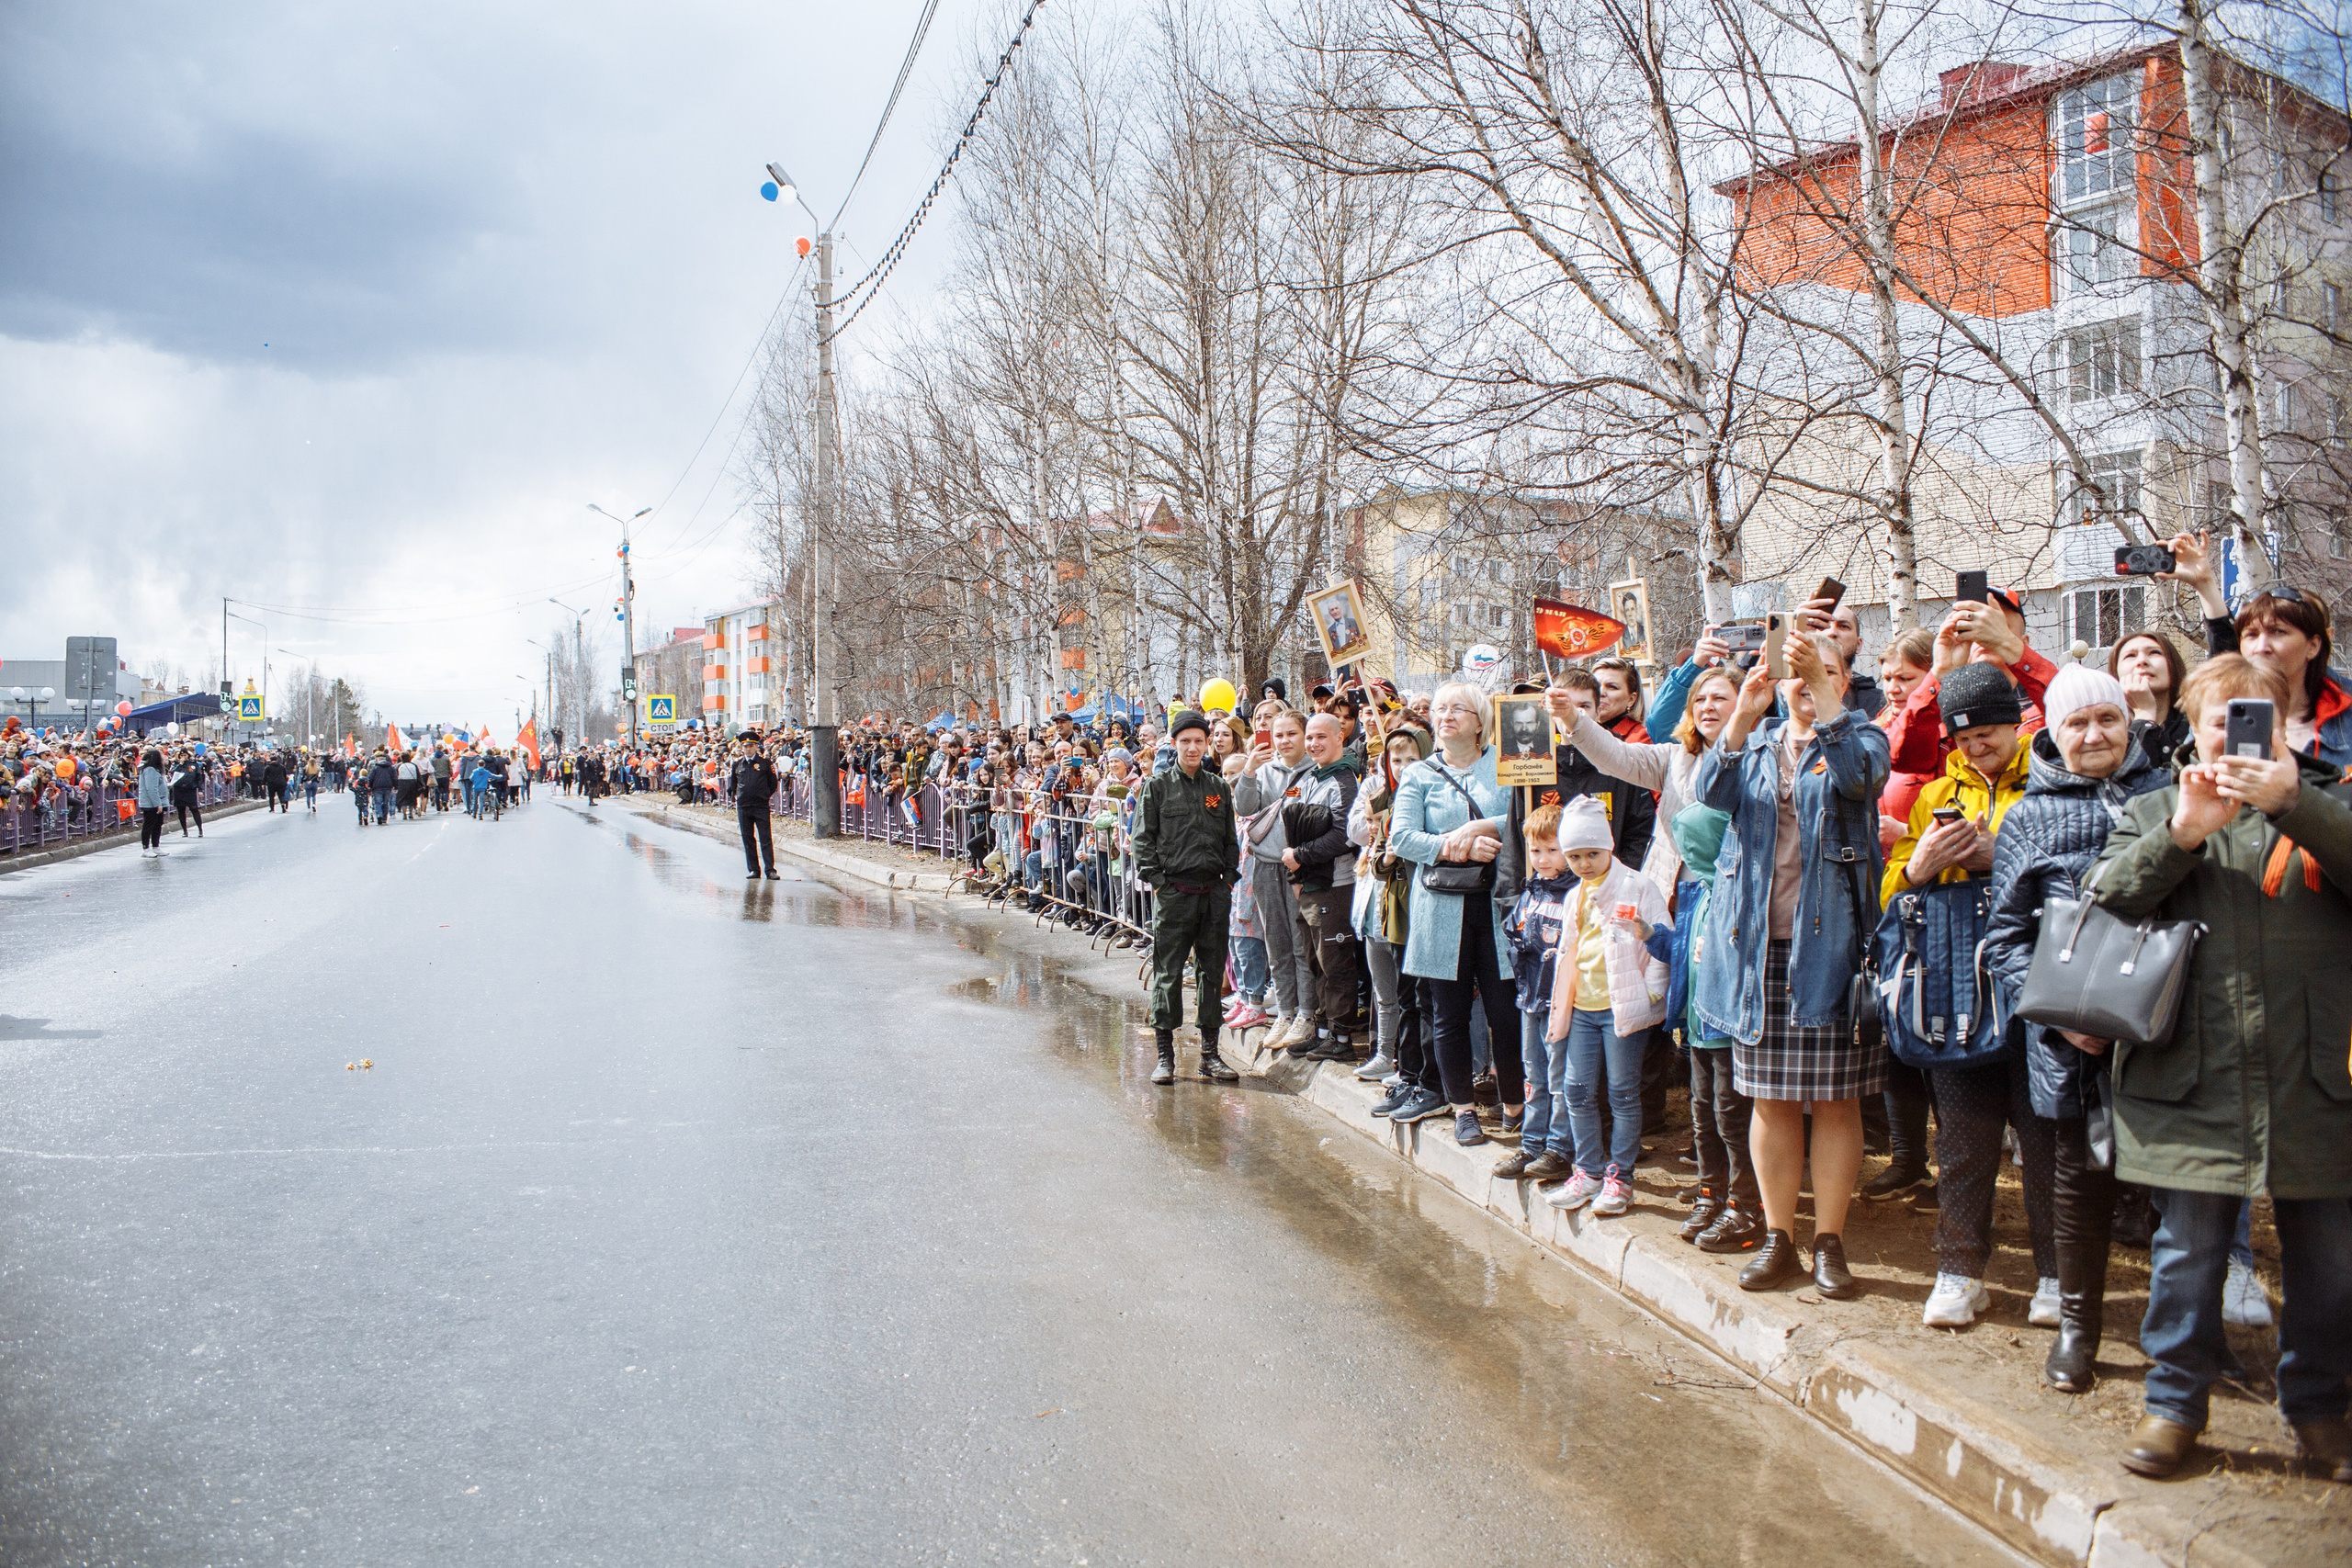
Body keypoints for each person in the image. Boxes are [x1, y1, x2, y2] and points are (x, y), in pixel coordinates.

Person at [2087, 654, 2352, 1483]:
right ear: (2193, 729)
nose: (2237, 737)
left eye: (2256, 722)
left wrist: (2294, 805)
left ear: (2284, 728)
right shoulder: (2155, 809)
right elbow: (2104, 902)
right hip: (2190, 1080)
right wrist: (2182, 835)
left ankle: (2319, 1408)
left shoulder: (2327, 801)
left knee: (2332, 1260)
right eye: (2219, 722)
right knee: (2188, 1257)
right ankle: (2173, 1406)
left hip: (2315, 1081)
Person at [1982, 665, 2170, 1393]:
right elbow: (2002, 940)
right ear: (2053, 734)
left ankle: (2183, 1341)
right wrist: (2069, 1016)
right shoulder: (2029, 814)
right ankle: (2079, 1332)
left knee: (2180, 1199)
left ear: (2128, 723)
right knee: (2077, 1191)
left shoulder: (2168, 795)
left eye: (2107, 720)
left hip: (2169, 1036)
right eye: (2077, 723)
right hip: (2073, 1047)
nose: (2094, 735)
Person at [1692, 629, 1891, 1299]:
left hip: (1832, 949)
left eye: (1824, 670)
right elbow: (1706, 793)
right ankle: (1779, 1235)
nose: (1807, 681)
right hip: (1755, 947)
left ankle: (1829, 1240)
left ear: (1845, 678)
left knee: (1836, 1101)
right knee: (1770, 1100)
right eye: (1797, 672)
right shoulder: (1755, 744)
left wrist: (1828, 703)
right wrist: (1746, 709)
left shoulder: (1862, 737)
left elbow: (1861, 780)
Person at [1562, 663, 1760, 1247]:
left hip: (1739, 907)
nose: (1705, 706)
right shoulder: (1673, 757)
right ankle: (1709, 1186)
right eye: (1699, 697)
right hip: (1683, 900)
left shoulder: (1758, 756)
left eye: (1720, 697)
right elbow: (1616, 758)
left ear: (1747, 703)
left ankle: (1745, 1196)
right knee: (1696, 1062)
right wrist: (1574, 720)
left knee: (1729, 1077)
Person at [1881, 661, 2051, 1330]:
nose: (1975, 746)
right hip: (1955, 983)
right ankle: (1958, 1269)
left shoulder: (2048, 780)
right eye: (1963, 737)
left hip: (2036, 985)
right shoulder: (1932, 796)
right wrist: (1920, 865)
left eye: (1987, 732)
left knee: (2044, 1142)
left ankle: (2057, 1276)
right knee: (1962, 1138)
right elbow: (1898, 896)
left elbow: (2073, 869)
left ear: (2016, 723)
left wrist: (1996, 856)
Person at [1387, 681, 1524, 1146]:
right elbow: (1402, 837)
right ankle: (1462, 1108)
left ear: (1481, 720)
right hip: (1441, 907)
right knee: (1447, 1014)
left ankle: (1514, 1104)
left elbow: (1529, 816)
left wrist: (1484, 826)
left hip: (1497, 904)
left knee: (1505, 1013)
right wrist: (1455, 846)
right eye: (1440, 709)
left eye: (1458, 709)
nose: (1446, 716)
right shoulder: (1419, 775)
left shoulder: (1507, 767)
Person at [1542, 796, 1671, 1214]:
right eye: (1574, 856)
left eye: (1592, 854)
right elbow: (1568, 953)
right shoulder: (1573, 895)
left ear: (1609, 847)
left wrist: (1651, 995)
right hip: (1582, 1007)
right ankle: (1588, 1170)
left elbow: (1660, 944)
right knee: (1576, 1089)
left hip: (1622, 1008)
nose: (1583, 863)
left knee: (1622, 1092)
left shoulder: (1637, 886)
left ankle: (1621, 1177)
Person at [2164, 532, 2351, 766]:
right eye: (2251, 635)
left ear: (2313, 645)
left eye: (2278, 632)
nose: (2261, 647)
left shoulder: (2346, 707)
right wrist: (2204, 584)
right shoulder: (2219, 708)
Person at [1130, 710, 1242, 1086]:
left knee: (1212, 974)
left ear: (1207, 743)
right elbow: (1142, 841)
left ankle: (1210, 1055)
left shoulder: (1218, 787)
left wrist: (1228, 879)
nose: (1193, 748)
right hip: (1174, 895)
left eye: (1199, 740)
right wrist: (1160, 882)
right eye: (1185, 741)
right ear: (1174, 745)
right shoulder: (1157, 787)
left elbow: (1230, 839)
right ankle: (1166, 1057)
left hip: (1213, 893)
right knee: (1168, 974)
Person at [1351, 722, 1432, 1098]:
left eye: (1411, 758)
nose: (1402, 766)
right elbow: (1379, 861)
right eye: (1395, 759)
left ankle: (1429, 1074)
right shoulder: (1383, 800)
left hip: (1425, 903)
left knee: (1424, 997)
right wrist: (1385, 849)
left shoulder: (1431, 795)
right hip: (1392, 905)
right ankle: (1400, 1062)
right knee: (1399, 994)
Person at [1282, 711, 1364, 1061]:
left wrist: (1300, 856)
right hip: (1310, 887)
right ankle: (1322, 1029)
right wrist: (1296, 876)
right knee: (1315, 960)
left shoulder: (1344, 781)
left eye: (1321, 737)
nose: (1314, 744)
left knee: (1335, 962)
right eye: (1310, 738)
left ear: (1340, 737)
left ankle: (1342, 1038)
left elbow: (1344, 837)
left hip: (1336, 886)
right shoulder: (1310, 777)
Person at [1236, 708, 1317, 1050]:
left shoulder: (1316, 771)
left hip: (1302, 867)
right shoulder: (1264, 771)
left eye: (1291, 734)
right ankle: (1284, 1011)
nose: (1284, 741)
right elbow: (1244, 807)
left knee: (1302, 945)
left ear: (1304, 736)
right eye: (1278, 735)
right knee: (1277, 943)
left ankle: (1306, 1014)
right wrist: (1249, 771)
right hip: (1266, 866)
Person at [2111, 630, 2189, 764]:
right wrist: (2144, 715)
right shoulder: (2107, 732)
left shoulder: (2196, 724)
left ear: (2173, 665)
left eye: (2154, 653)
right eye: (2130, 656)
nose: (2142, 661)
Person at [731, 731, 780, 879]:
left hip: (760, 805)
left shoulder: (765, 763)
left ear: (756, 747)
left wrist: (764, 795)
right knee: (748, 838)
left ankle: (770, 870)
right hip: (744, 806)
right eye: (745, 746)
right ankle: (754, 869)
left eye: (751, 746)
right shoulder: (737, 764)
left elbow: (773, 783)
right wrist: (739, 797)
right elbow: (734, 784)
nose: (748, 749)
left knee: (765, 838)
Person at [135, 747, 167, 854]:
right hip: (150, 803)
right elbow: (151, 788)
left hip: (157, 801)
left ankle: (155, 846)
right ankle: (146, 848)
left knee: (158, 824)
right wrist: (157, 803)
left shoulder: (154, 769)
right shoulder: (150, 770)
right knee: (149, 825)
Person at [169, 751, 205, 837]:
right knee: (181, 810)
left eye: (184, 755)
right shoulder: (176, 765)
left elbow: (199, 778)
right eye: (181, 755)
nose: (183, 757)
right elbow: (172, 773)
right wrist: (180, 764)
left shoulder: (193, 765)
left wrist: (200, 790)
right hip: (179, 790)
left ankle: (200, 829)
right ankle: (184, 830)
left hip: (190, 790)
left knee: (194, 809)